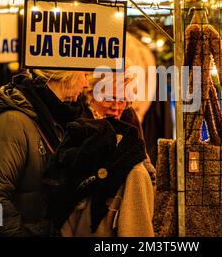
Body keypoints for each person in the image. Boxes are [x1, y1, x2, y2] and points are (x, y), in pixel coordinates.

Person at [0, 69, 88, 236]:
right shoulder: (11, 123)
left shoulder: (58, 118)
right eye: (84, 74)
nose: (86, 83)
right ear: (66, 74)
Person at [56, 70, 155, 237]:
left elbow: (142, 155)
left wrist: (151, 181)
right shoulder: (78, 119)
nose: (116, 107)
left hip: (122, 203)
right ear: (91, 96)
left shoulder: (129, 117)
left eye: (123, 100)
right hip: (83, 209)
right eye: (109, 98)